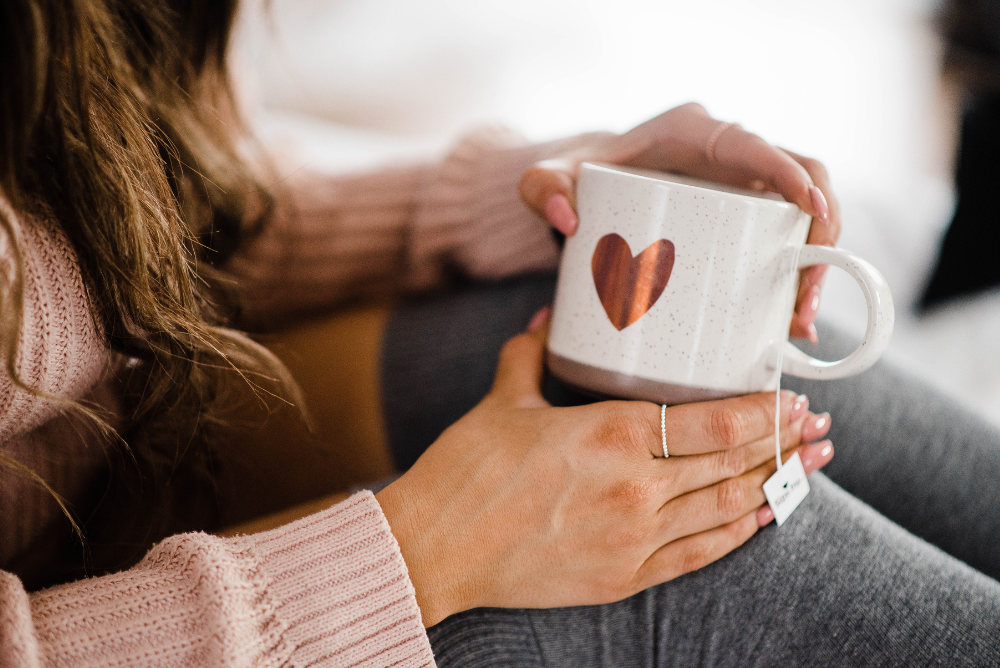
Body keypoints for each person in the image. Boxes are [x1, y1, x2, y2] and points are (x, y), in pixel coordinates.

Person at [1, 1, 998, 667]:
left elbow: (164, 226)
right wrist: (431, 541)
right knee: (719, 549)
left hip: (120, 480)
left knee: (655, 359)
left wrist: (535, 201)